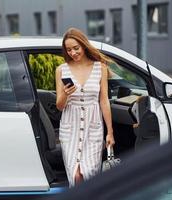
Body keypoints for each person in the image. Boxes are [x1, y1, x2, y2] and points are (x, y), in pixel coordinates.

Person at [55, 27, 115, 187]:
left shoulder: (100, 68)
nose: (73, 53)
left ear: (83, 45)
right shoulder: (61, 70)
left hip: (93, 128)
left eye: (76, 48)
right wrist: (66, 94)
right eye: (68, 50)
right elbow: (59, 107)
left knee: (87, 174)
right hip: (70, 129)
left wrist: (110, 132)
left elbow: (104, 101)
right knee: (75, 175)